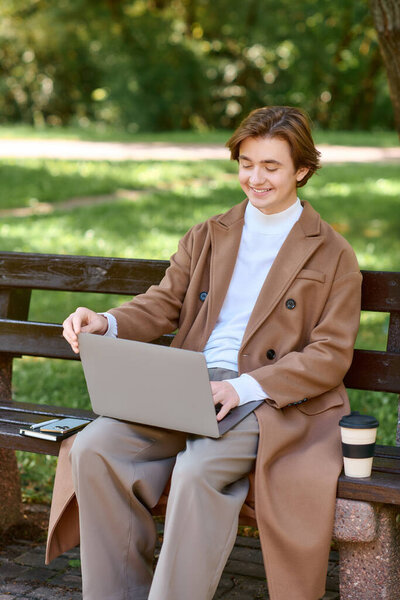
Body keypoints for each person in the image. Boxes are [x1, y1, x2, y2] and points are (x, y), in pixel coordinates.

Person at [59, 106, 362, 600]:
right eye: (246, 162)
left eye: (271, 166)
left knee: (198, 470)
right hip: (188, 383)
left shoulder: (333, 253)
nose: (255, 178)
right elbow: (162, 303)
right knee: (94, 448)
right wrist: (107, 322)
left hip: (267, 399)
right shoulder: (209, 234)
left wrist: (241, 387)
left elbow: (330, 354)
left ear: (302, 171)